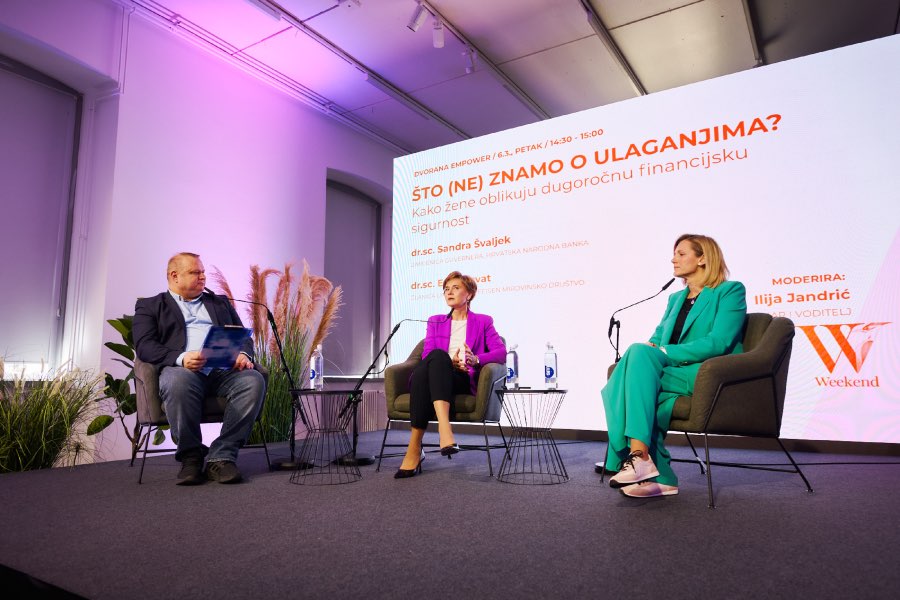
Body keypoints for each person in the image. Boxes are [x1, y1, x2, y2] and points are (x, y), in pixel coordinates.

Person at [601, 234, 747, 498]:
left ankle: (636, 458)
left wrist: (663, 351)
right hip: (673, 371)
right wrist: (652, 348)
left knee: (634, 376)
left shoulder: (729, 291)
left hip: (707, 372)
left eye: (681, 253)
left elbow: (720, 341)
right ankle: (658, 475)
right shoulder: (675, 298)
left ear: (702, 258)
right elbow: (659, 337)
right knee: (636, 358)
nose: (673, 259)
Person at [133, 252, 266, 485]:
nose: (203, 277)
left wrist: (243, 354)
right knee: (177, 381)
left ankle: (221, 456)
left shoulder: (219, 302)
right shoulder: (151, 306)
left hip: (222, 370)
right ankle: (191, 456)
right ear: (174, 276)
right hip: (182, 370)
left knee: (253, 380)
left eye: (203, 272)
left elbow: (243, 336)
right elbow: (145, 346)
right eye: (195, 272)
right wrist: (181, 358)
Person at [394, 270, 506, 479]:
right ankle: (444, 431)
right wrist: (447, 360)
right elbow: (427, 355)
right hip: (436, 372)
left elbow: (501, 353)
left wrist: (476, 359)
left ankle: (414, 449)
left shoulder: (483, 321)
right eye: (446, 289)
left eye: (455, 288)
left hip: (461, 378)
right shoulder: (435, 321)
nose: (449, 292)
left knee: (428, 370)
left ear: (469, 294)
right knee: (436, 358)